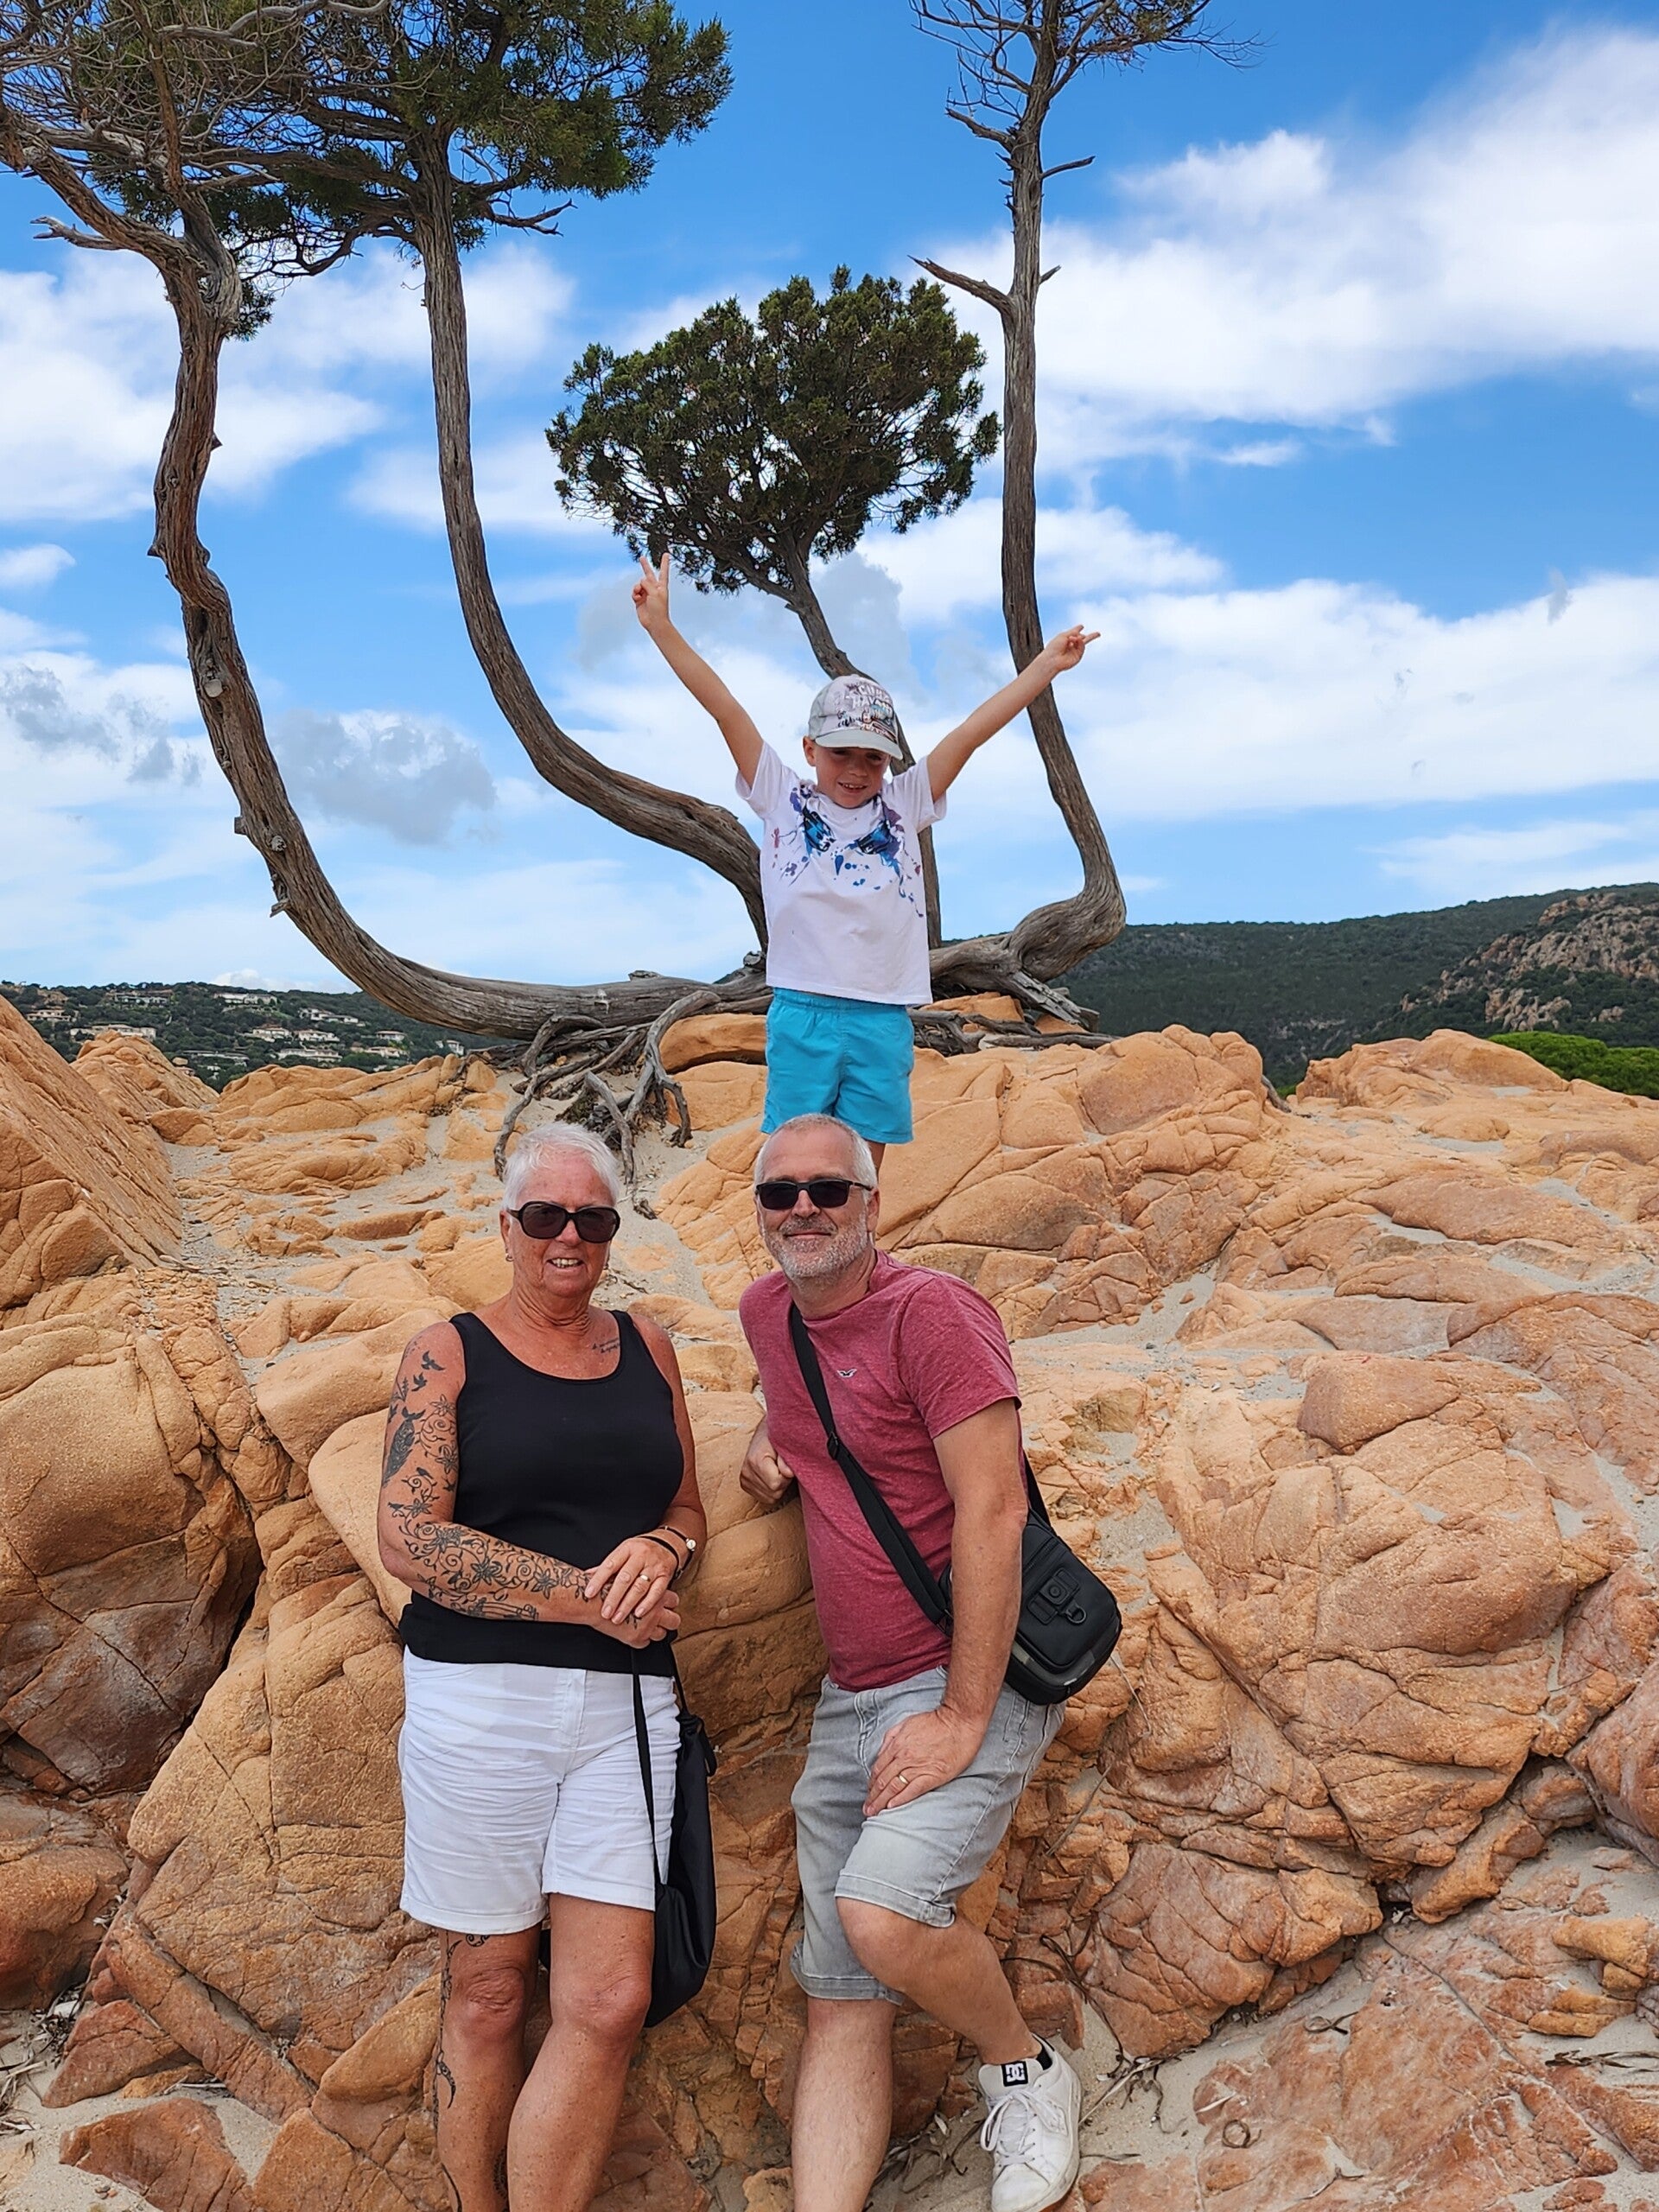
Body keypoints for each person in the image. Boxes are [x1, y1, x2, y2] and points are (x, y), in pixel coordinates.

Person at [736, 1113, 1079, 2212]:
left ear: (872, 1203)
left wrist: (963, 1714)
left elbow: (994, 1507)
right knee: (842, 1990)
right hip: (850, 1696)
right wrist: (770, 1437)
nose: (803, 1209)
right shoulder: (766, 1315)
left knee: (884, 1916)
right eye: (781, 1192)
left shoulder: (934, 1314)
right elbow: (813, 1406)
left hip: (962, 1673)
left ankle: (1025, 2068)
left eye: (828, 1190)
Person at [377, 1125, 707, 2212]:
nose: (570, 1236)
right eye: (545, 1216)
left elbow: (686, 1504)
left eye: (593, 1218)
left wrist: (666, 1547)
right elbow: (409, 1538)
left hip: (626, 1712)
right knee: (487, 1989)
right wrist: (587, 1600)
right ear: (507, 1226)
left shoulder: (649, 1347)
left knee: (608, 2000)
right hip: (482, 1704)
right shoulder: (448, 1352)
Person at [632, 554, 1097, 1167]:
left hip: (882, 1017)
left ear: (889, 760)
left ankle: (862, 1235)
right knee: (795, 1167)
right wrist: (662, 628)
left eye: (873, 758)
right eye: (841, 753)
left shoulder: (904, 804)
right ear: (810, 749)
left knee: (861, 1175)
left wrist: (1045, 666)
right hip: (803, 1012)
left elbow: (970, 732)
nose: (856, 770)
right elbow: (726, 709)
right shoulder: (782, 798)